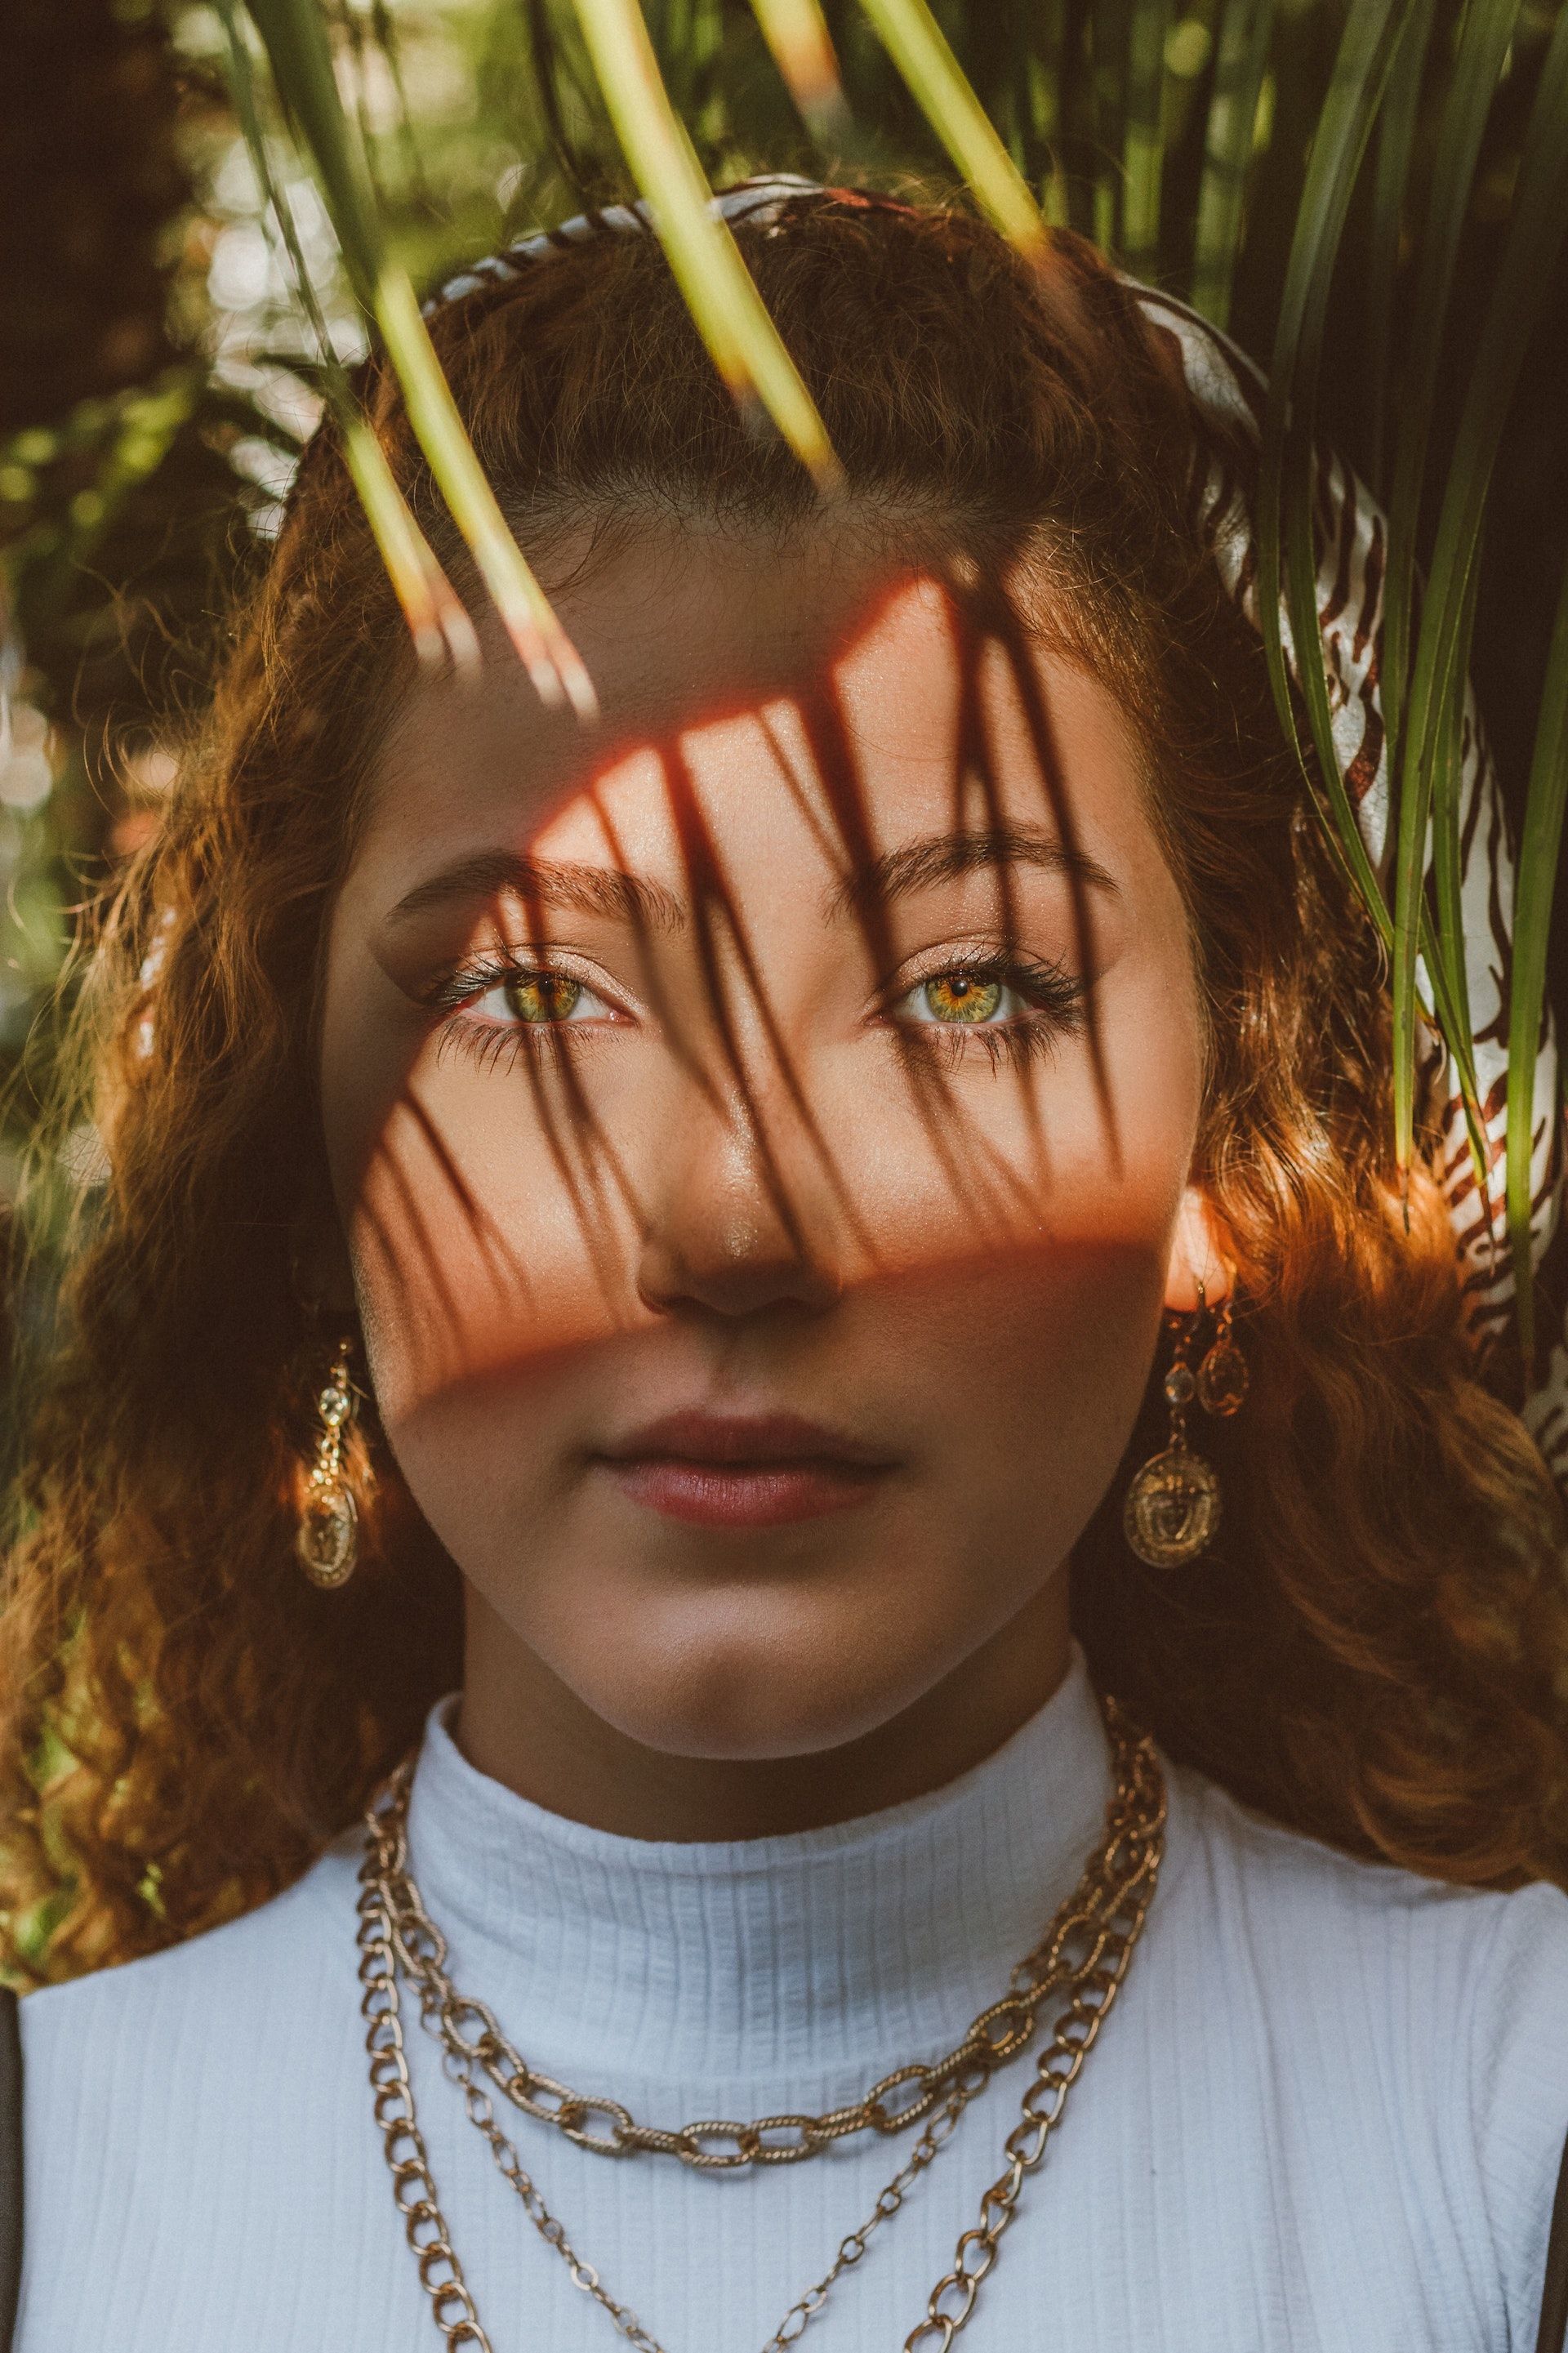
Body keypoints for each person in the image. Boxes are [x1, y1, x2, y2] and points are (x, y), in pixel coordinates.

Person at [2, 178, 1567, 2353]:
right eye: (535, 997)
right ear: (305, 1162)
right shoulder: (50, 2190)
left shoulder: (1508, 2140)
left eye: (967, 990)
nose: (734, 1219)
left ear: (1221, 1155)